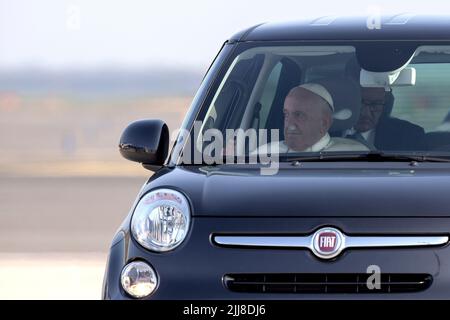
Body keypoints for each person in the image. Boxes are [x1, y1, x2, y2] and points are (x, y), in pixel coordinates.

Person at [257, 83, 369, 153]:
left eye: (299, 115)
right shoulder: (264, 155)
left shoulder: (354, 155)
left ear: (324, 124)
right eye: (286, 114)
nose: (289, 124)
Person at [345, 87, 426, 151]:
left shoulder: (410, 136)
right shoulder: (332, 131)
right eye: (359, 103)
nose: (365, 113)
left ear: (386, 106)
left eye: (375, 104)